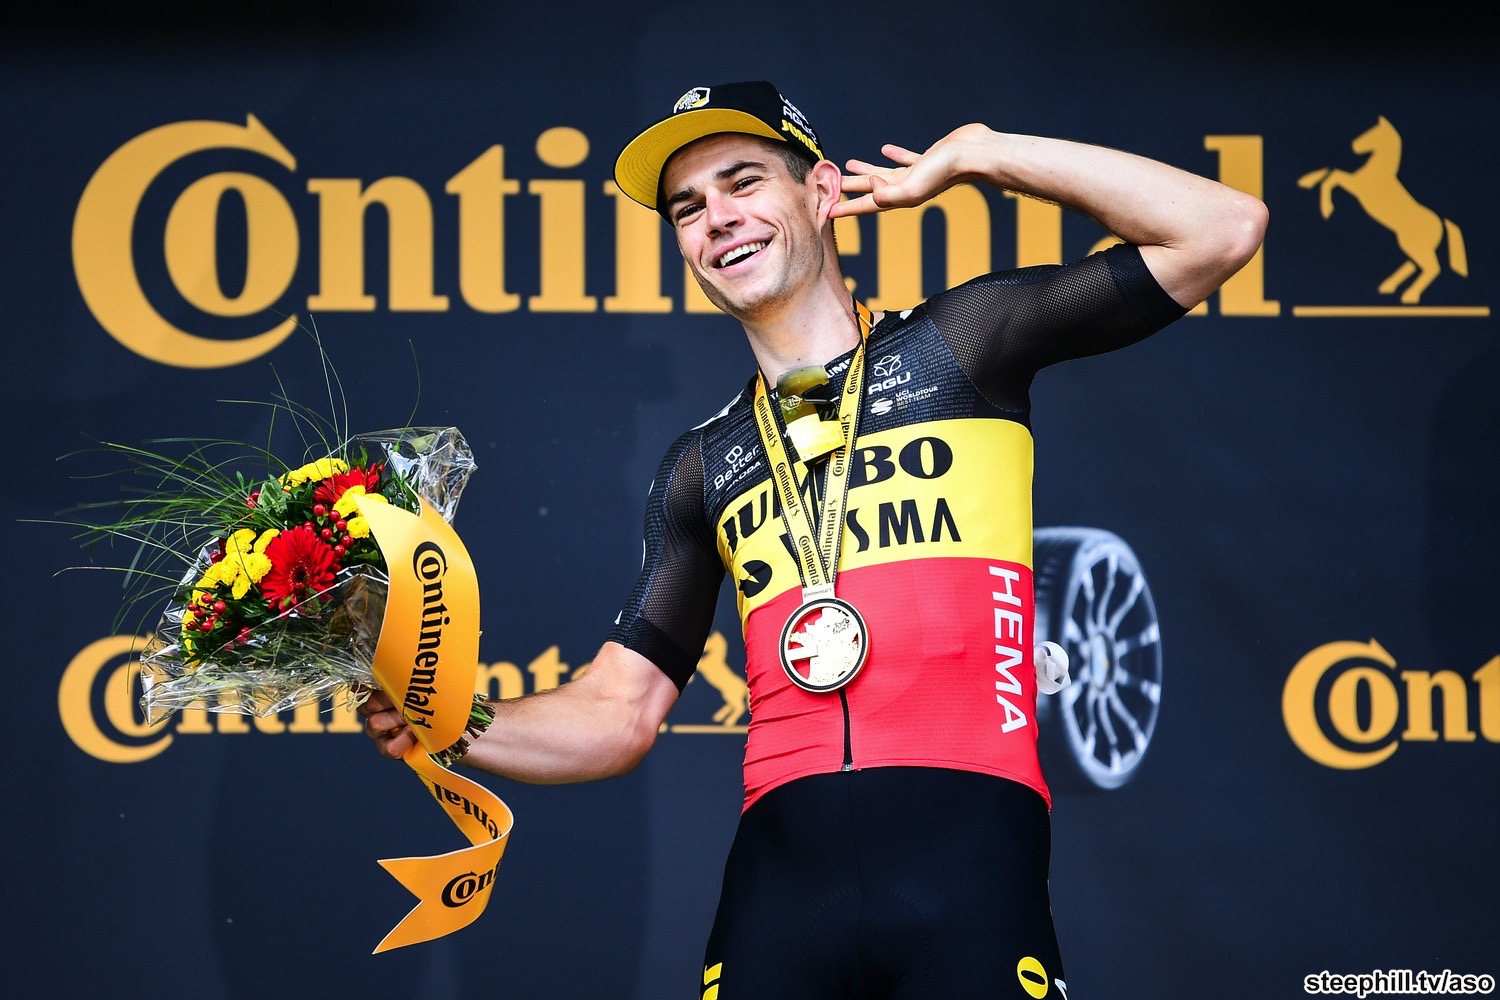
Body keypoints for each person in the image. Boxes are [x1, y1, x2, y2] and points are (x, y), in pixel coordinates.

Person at [358, 80, 1268, 997]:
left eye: (744, 181)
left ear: (823, 191)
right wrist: (448, 715)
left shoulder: (963, 343)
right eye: (688, 208)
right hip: (780, 884)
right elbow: (618, 712)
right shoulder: (702, 466)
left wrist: (984, 154)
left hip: (969, 852)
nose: (717, 217)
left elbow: (1221, 228)